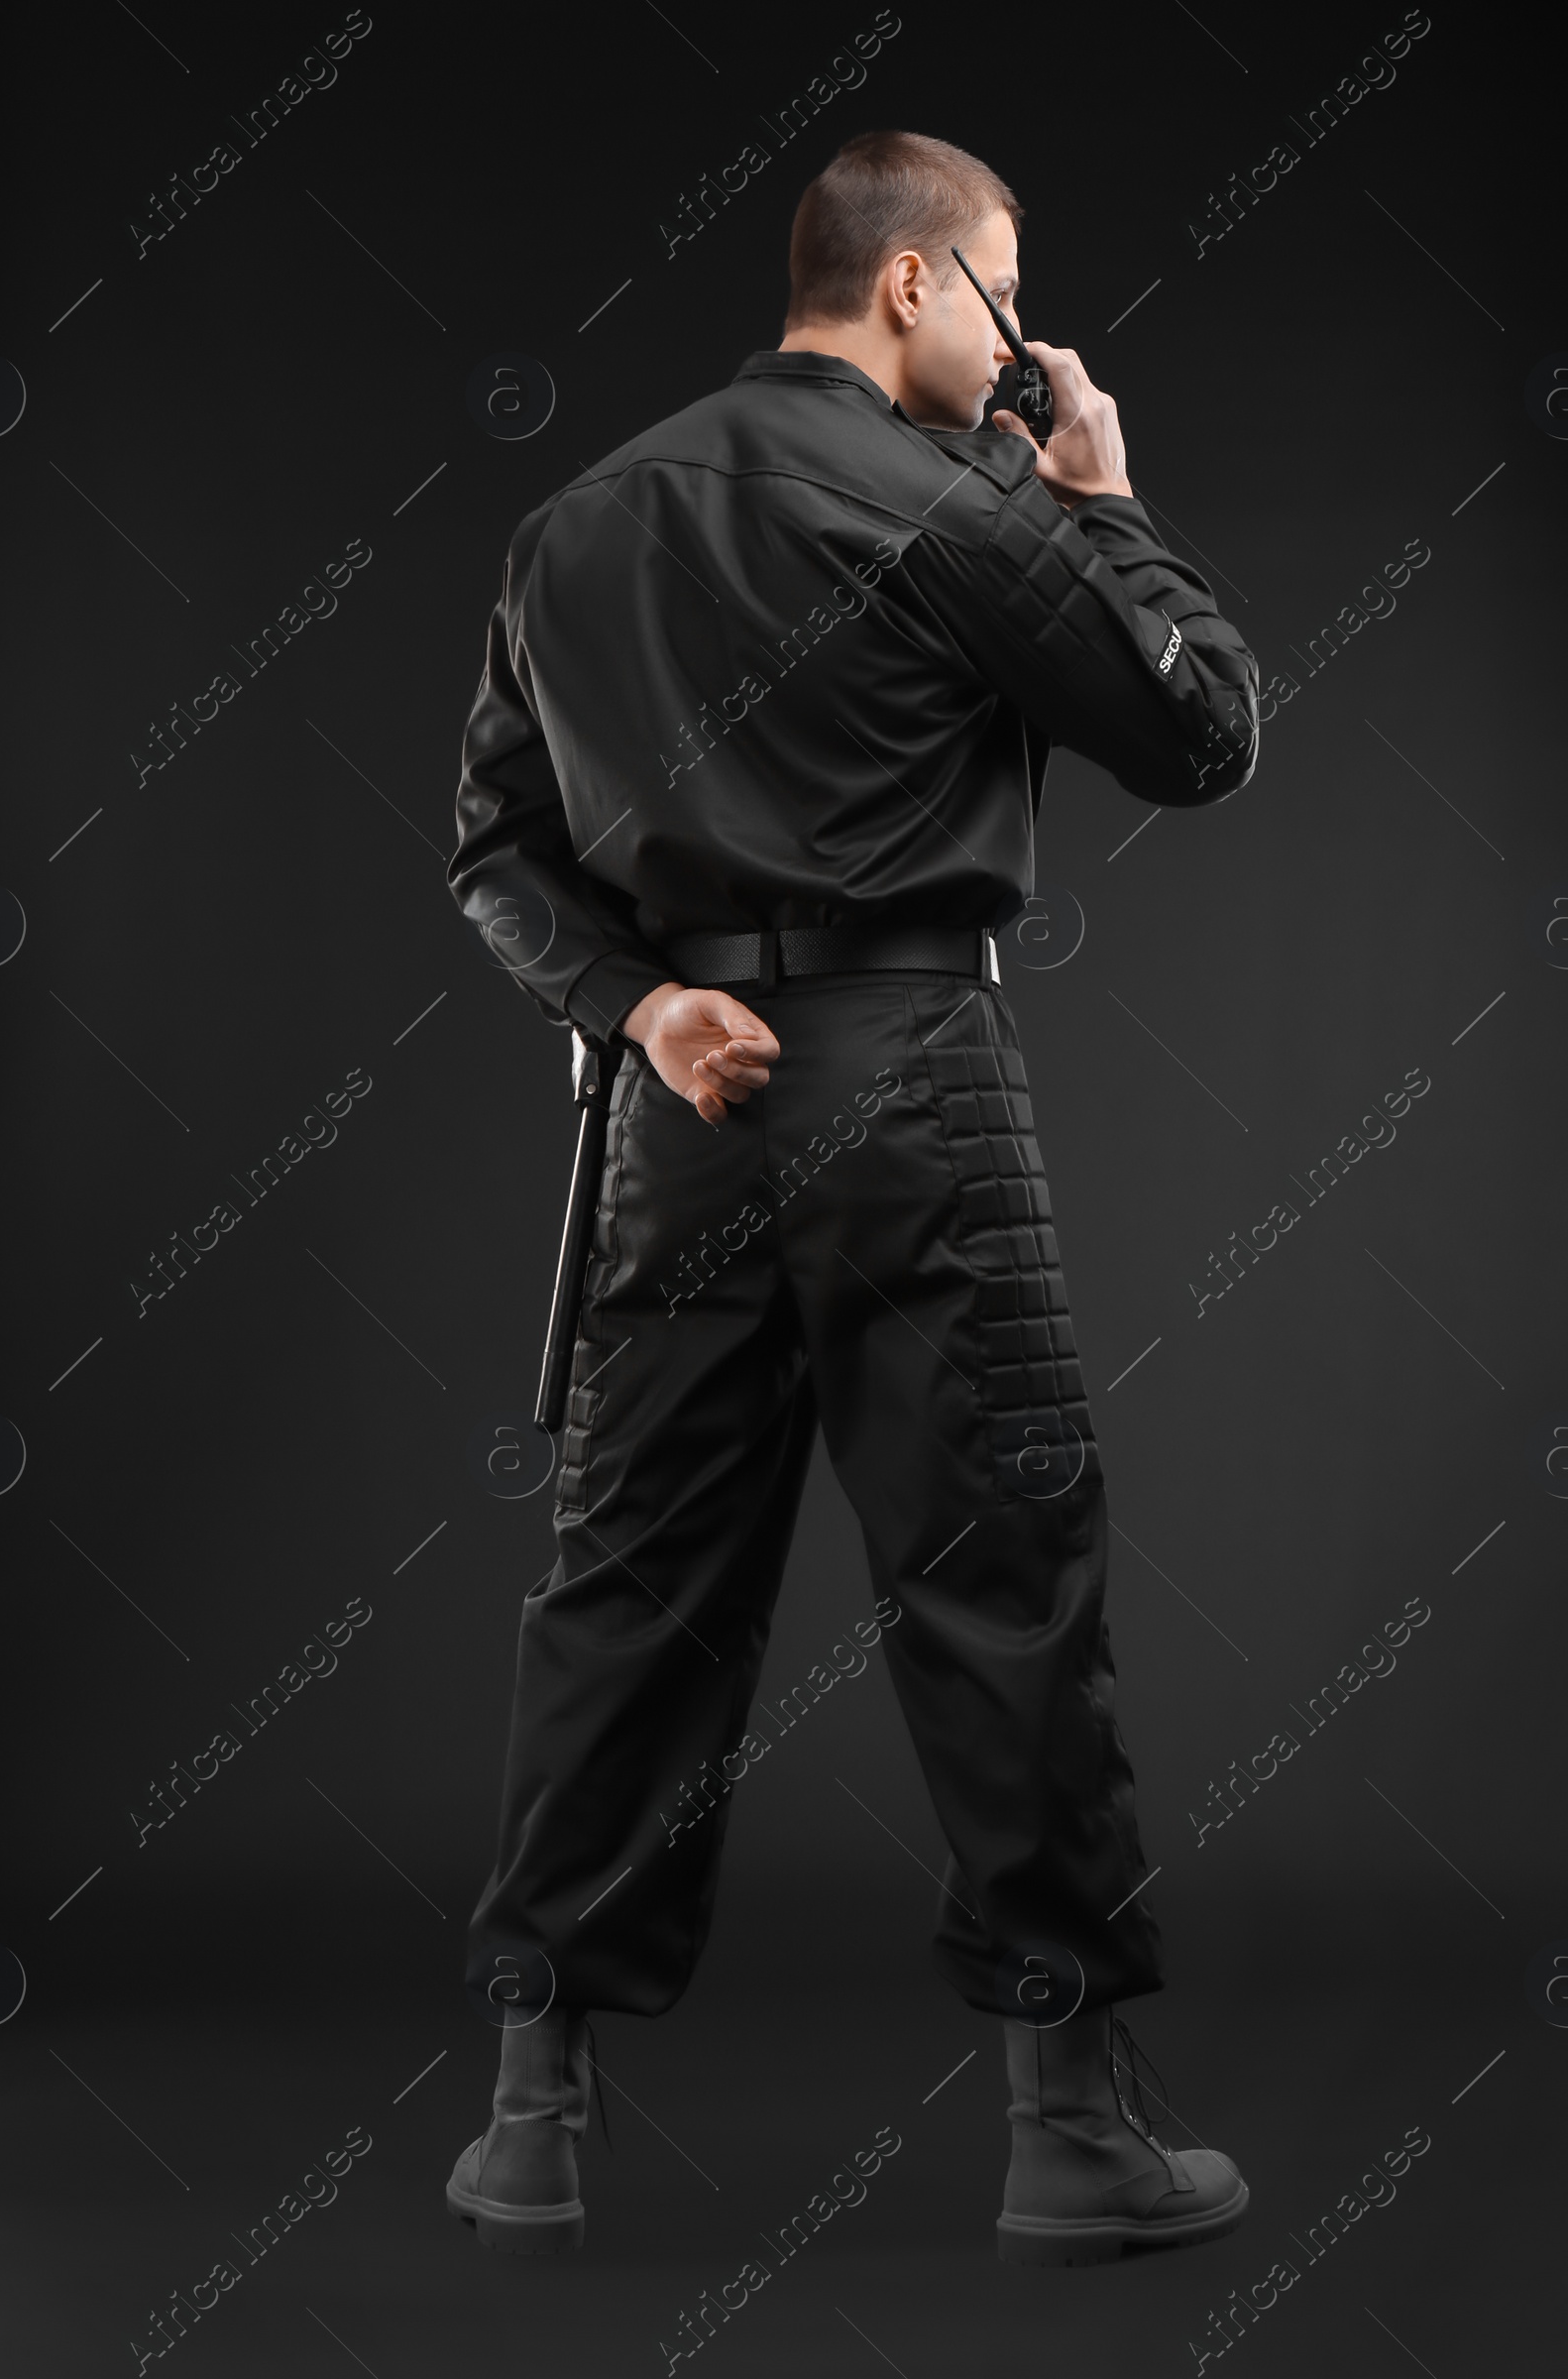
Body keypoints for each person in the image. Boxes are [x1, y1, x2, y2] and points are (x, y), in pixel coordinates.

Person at [442, 129, 1259, 2268]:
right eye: (1000, 296)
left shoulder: (572, 521)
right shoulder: (961, 501)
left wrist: (638, 1008)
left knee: (626, 1590)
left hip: (679, 1105)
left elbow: (496, 857)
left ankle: (532, 2113)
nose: (1014, 343)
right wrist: (1097, 493)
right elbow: (1198, 729)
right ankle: (1067, 2126)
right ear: (910, 287)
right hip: (907, 1080)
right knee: (999, 1582)